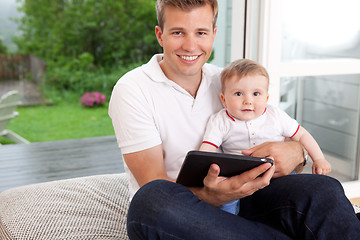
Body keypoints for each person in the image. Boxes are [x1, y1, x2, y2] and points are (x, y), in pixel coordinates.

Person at [108, 0, 360, 239]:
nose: (190, 45)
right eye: (178, 33)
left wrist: (297, 152)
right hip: (184, 209)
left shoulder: (229, 83)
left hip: (249, 194)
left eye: (201, 33)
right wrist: (212, 195)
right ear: (160, 35)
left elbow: (279, 132)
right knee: (151, 202)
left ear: (214, 34)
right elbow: (153, 180)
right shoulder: (133, 89)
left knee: (324, 189)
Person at [199, 59, 332, 214]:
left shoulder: (274, 115)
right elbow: (207, 148)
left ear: (266, 98)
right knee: (226, 204)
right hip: (237, 177)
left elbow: (301, 134)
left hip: (278, 173)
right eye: (238, 94)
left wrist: (319, 159)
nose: (248, 101)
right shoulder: (221, 120)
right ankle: (229, 221)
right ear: (224, 99)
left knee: (299, 191)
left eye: (256, 94)